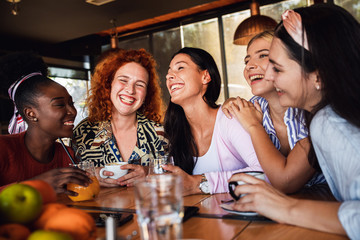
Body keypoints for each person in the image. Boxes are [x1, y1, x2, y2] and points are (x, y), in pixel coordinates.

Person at [229, 4, 360, 238]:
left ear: (318, 75)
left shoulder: (329, 122)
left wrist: (284, 207)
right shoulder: (327, 114)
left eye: (277, 68)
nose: (268, 75)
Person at [222, 31, 324, 193]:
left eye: (262, 55)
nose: (249, 66)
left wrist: (254, 126)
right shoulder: (254, 107)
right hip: (285, 206)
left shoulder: (312, 111)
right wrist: (228, 103)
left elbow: (284, 182)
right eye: (247, 61)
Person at [162, 47, 262, 195]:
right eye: (169, 72)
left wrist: (198, 183)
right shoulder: (176, 130)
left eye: (180, 68)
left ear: (205, 77)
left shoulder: (230, 118)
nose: (169, 76)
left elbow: (263, 172)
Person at [73, 48, 168, 187]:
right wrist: (90, 176)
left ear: (147, 94)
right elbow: (68, 174)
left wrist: (149, 172)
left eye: (140, 84)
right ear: (109, 83)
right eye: (123, 80)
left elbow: (178, 176)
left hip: (147, 207)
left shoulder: (160, 133)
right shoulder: (84, 132)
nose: (130, 90)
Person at [0, 52, 90, 194]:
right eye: (60, 105)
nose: (72, 111)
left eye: (71, 103)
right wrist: (37, 185)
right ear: (31, 114)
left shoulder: (67, 155)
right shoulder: (3, 149)